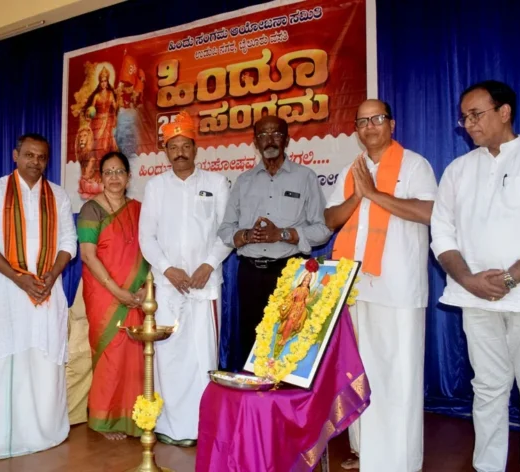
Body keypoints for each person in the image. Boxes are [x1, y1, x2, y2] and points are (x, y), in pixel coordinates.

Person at [431, 80, 520, 472]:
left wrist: (511, 279)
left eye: (476, 114)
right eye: (464, 118)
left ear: (505, 112)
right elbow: (441, 231)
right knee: (487, 390)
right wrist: (469, 280)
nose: (468, 124)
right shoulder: (458, 170)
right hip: (475, 298)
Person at [325, 99, 437, 471]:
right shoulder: (350, 170)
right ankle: (365, 451)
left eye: (377, 119)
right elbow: (330, 219)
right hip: (354, 287)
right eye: (362, 121)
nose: (369, 126)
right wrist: (358, 195)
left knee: (399, 374)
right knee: (358, 371)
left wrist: (374, 194)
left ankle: (400, 459)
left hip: (398, 287)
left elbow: (429, 211)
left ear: (392, 124)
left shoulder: (414, 165)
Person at [0, 133, 77, 459]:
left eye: (42, 157)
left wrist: (52, 275)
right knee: (11, 360)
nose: (35, 161)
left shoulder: (58, 195)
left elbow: (68, 242)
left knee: (45, 362)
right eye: (29, 155)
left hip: (47, 289)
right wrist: (18, 278)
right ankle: (8, 438)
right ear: (15, 155)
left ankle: (47, 433)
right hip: (7, 292)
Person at [139, 111, 231, 446]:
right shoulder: (155, 187)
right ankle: (168, 426)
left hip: (204, 286)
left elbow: (227, 231)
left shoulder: (216, 183)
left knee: (201, 355)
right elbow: (146, 237)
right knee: (168, 357)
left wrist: (208, 264)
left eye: (185, 145)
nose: (180, 152)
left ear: (195, 148)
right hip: (167, 287)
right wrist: (167, 268)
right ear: (165, 151)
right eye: (173, 147)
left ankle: (200, 427)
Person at [218, 115, 332, 372]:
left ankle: (287, 394)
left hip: (289, 274)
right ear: (255, 142)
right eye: (263, 135)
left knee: (288, 342)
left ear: (287, 140)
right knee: (252, 342)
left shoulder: (305, 177)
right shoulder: (243, 181)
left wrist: (282, 234)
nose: (270, 140)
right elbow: (225, 230)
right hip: (249, 274)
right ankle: (255, 393)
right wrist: (246, 236)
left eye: (276, 134)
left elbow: (322, 230)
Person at [77, 151, 147, 440]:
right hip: (104, 293)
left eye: (120, 172)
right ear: (101, 178)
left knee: (135, 354)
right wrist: (118, 292)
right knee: (111, 353)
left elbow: (150, 251)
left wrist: (145, 289)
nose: (114, 177)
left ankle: (134, 418)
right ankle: (105, 421)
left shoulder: (140, 209)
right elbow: (88, 255)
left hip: (137, 294)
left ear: (129, 177)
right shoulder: (91, 210)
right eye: (108, 172)